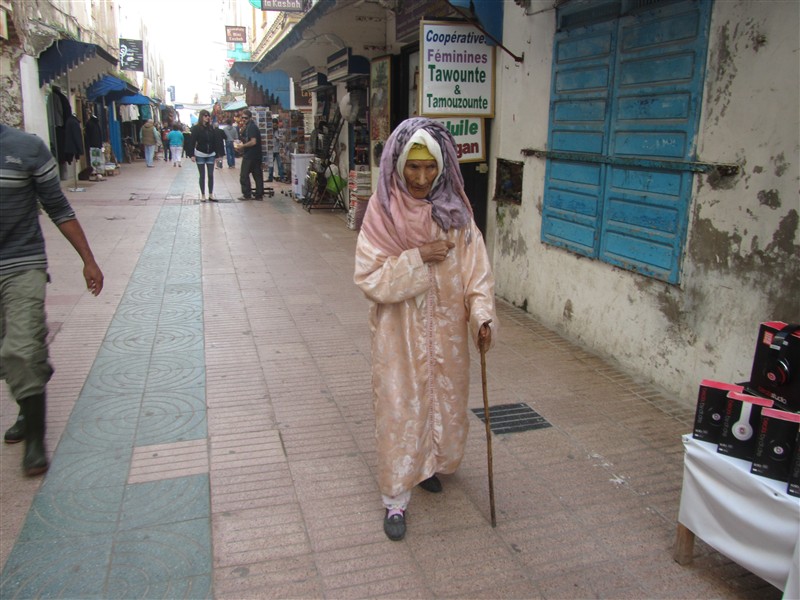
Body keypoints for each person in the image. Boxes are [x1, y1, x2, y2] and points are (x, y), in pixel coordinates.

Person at [353, 117, 497, 541]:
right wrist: (418, 258)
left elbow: (477, 274)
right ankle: (395, 498)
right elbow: (368, 278)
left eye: (429, 166)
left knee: (443, 403)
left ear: (442, 165)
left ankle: (428, 466)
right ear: (397, 166)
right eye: (413, 167)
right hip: (398, 337)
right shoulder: (383, 213)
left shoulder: (457, 215)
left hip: (447, 336)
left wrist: (482, 316)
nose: (420, 178)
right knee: (400, 410)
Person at [0, 124, 104, 476]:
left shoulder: (26, 148)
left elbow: (58, 207)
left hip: (21, 263)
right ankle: (27, 403)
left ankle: (35, 439)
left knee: (21, 349)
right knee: (8, 351)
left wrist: (88, 260)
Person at [188, 109, 218, 201]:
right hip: (200, 154)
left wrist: (217, 154)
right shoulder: (196, 128)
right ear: (201, 117)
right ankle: (203, 194)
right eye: (205, 115)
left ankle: (211, 194)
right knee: (202, 175)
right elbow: (192, 141)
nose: (207, 117)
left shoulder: (211, 128)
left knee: (210, 174)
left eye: (208, 116)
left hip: (211, 154)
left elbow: (215, 141)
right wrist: (191, 154)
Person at [236, 109, 263, 201]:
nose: (243, 119)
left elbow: (253, 141)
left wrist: (242, 146)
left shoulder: (251, 127)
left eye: (246, 118)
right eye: (242, 118)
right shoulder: (249, 127)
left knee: (244, 175)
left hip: (250, 155)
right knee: (257, 174)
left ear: (250, 118)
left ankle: (247, 194)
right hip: (256, 155)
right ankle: (259, 194)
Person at [267, 118, 284, 182]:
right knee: (270, 164)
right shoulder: (270, 131)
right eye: (273, 125)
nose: (274, 126)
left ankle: (281, 177)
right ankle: (270, 177)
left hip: (278, 150)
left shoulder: (279, 131)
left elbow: (281, 139)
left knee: (280, 164)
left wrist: (278, 138)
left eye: (275, 125)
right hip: (271, 150)